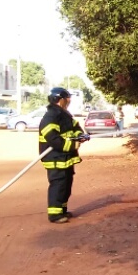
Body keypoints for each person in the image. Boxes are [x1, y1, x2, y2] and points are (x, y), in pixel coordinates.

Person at [39, 87, 88, 224]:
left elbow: (76, 128)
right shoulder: (51, 116)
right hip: (55, 158)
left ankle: (62, 210)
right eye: (67, 98)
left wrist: (80, 136)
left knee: (66, 185)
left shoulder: (64, 115)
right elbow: (53, 139)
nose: (69, 101)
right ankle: (54, 215)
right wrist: (73, 145)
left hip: (66, 158)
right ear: (60, 100)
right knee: (58, 185)